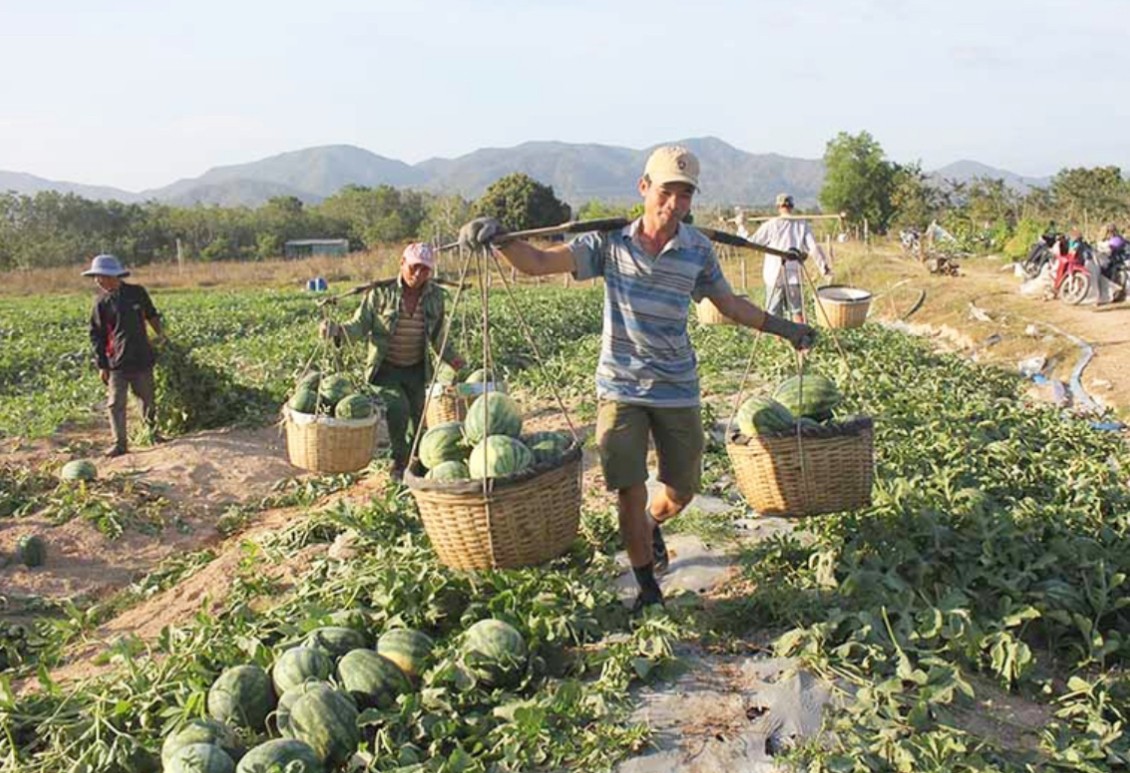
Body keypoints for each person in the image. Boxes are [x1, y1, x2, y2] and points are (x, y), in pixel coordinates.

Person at [458, 145, 817, 611]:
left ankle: (652, 524)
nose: (674, 205)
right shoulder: (609, 243)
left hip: (677, 386)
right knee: (628, 487)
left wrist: (787, 329)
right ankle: (647, 586)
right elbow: (541, 263)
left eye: (685, 195)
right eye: (667, 192)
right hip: (621, 387)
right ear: (644, 188)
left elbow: (729, 305)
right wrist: (503, 240)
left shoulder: (697, 250)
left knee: (681, 491)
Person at [320, 242, 465, 478]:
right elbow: (359, 327)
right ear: (402, 263)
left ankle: (418, 461)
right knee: (398, 407)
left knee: (419, 417)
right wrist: (336, 330)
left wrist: (455, 360)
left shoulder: (435, 296)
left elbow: (439, 336)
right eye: (414, 267)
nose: (418, 275)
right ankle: (398, 462)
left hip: (416, 368)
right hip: (385, 369)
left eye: (425, 270)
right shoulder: (379, 294)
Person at [85, 254, 165, 458]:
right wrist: (102, 365)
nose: (97, 281)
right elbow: (97, 335)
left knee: (146, 398)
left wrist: (162, 336)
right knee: (115, 403)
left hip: (142, 356)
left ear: (113, 276)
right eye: (96, 277)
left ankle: (152, 433)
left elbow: (151, 314)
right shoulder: (101, 303)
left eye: (100, 276)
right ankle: (119, 443)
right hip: (117, 362)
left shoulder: (137, 293)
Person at [752, 193, 832, 323]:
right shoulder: (801, 225)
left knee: (774, 316)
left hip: (774, 277)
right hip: (793, 277)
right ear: (792, 207)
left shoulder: (771, 225)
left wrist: (741, 227)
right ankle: (801, 341)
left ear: (778, 207)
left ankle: (778, 343)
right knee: (797, 312)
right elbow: (814, 248)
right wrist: (824, 268)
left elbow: (753, 242)